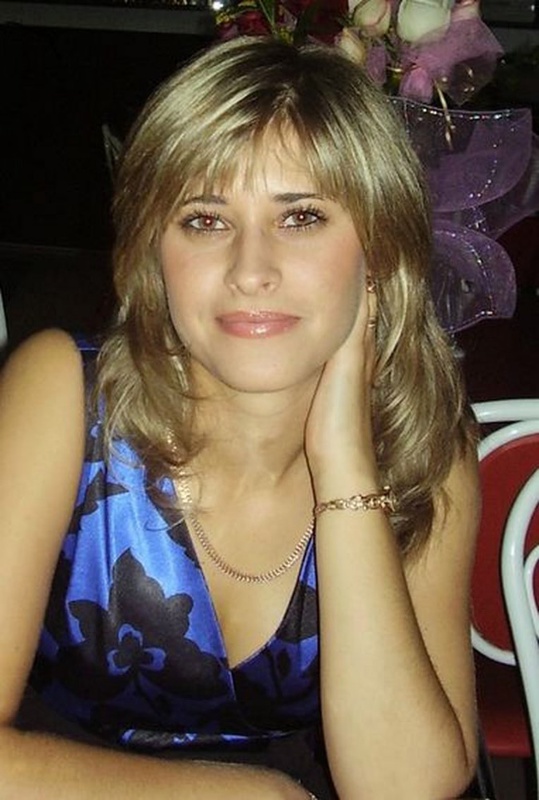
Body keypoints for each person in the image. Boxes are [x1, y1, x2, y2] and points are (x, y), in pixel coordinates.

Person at [0, 36, 480, 799]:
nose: (250, 269)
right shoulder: (64, 392)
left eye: (300, 217)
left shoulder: (425, 444)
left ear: (380, 251)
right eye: (204, 220)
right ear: (153, 252)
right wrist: (241, 794)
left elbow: (403, 787)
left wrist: (345, 466)